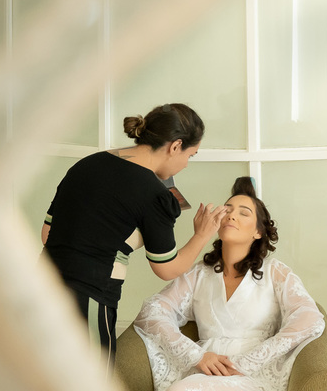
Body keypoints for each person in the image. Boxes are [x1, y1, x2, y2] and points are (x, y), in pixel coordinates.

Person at [42, 103, 227, 366]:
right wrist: (202, 234)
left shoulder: (88, 165)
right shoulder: (154, 194)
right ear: (175, 146)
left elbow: (47, 232)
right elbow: (167, 268)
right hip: (88, 298)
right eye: (191, 155)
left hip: (38, 286)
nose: (186, 165)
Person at [133, 176, 326, 391]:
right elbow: (151, 313)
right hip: (205, 373)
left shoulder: (275, 272)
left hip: (254, 374)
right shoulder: (198, 274)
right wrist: (195, 355)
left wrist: (250, 361)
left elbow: (310, 318)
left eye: (244, 213)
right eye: (227, 210)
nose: (232, 215)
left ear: (258, 232)